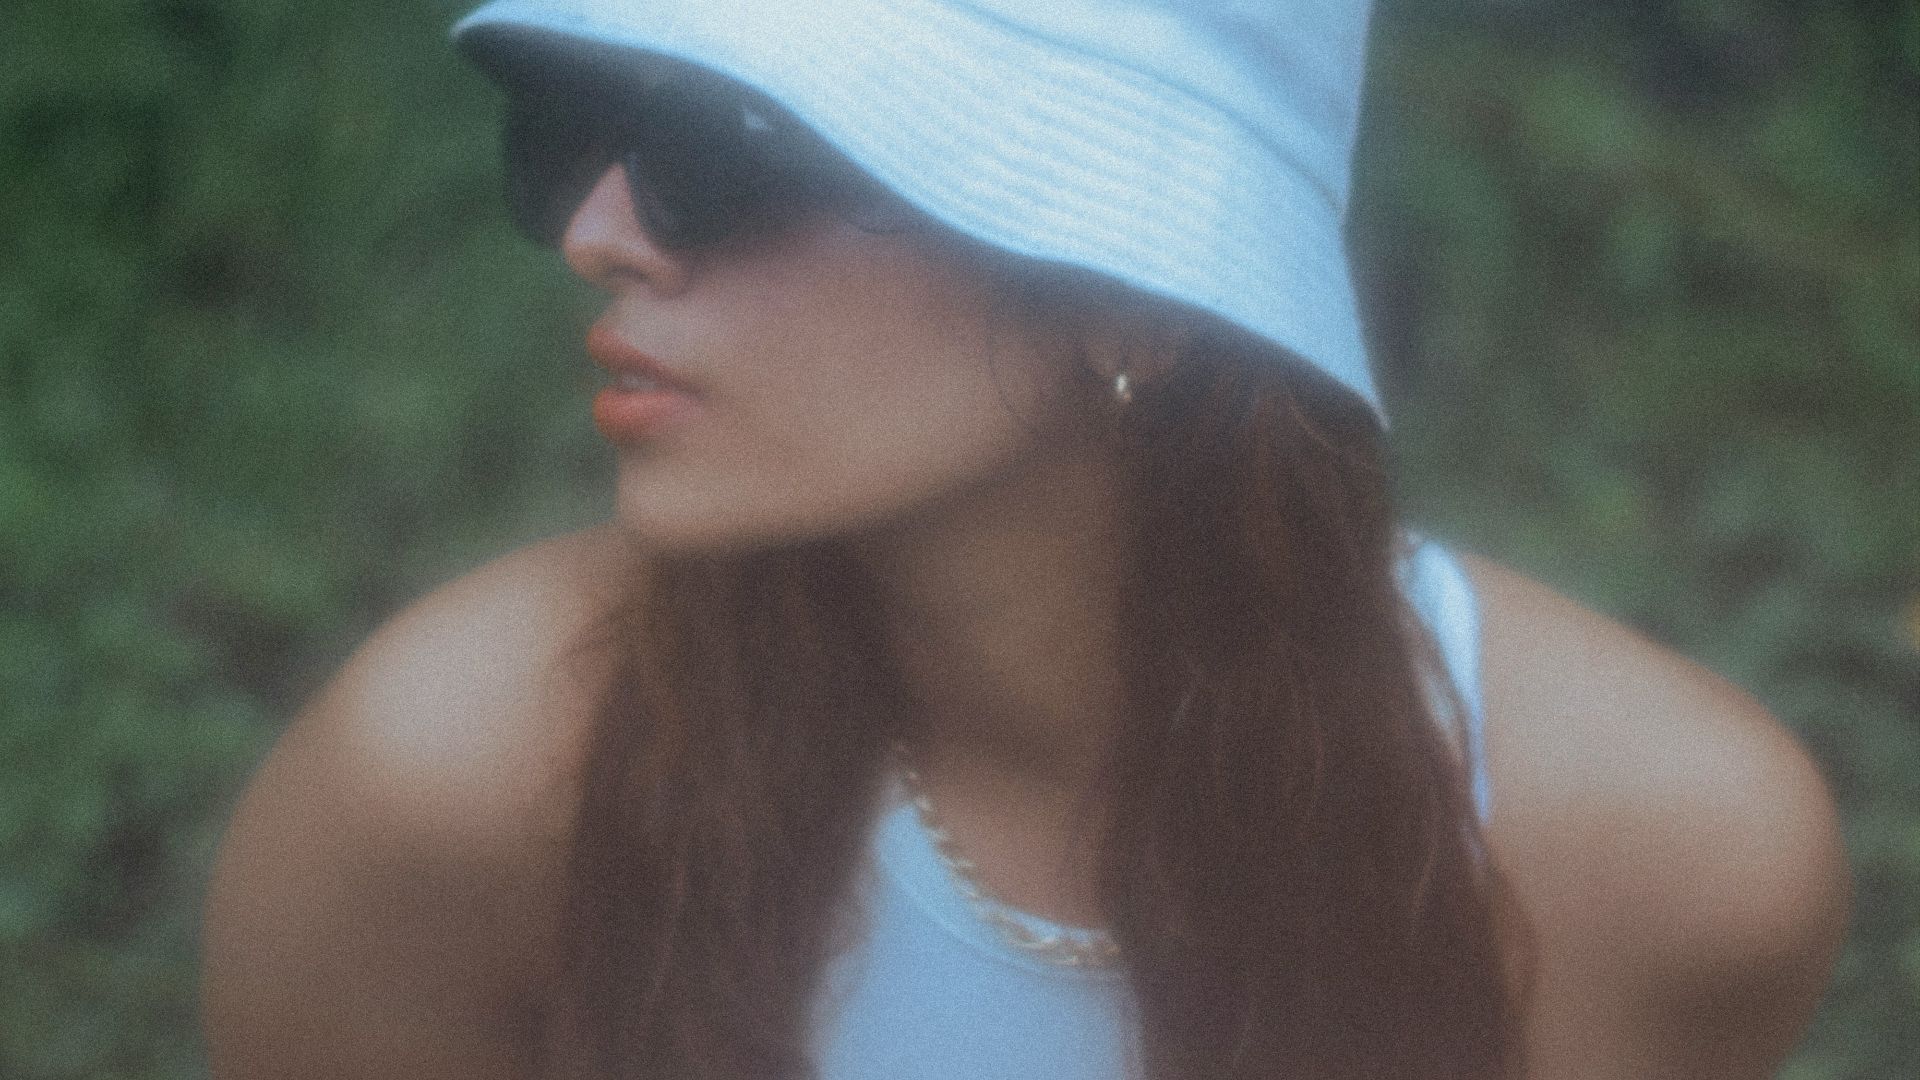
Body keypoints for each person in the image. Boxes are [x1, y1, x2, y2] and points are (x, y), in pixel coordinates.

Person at [199, 2, 1850, 1078]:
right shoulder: (455, 783)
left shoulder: (1656, 857)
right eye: (585, 131)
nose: (595, 234)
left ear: (1129, 295)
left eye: (725, 156)